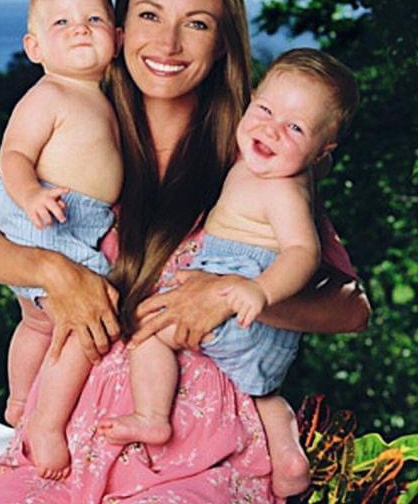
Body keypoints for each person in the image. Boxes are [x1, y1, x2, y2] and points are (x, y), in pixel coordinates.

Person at [0, 0, 370, 504]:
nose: (167, 42)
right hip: (72, 444)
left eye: (196, 24)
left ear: (222, 44)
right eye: (149, 15)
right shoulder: (81, 130)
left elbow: (351, 309)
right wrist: (55, 273)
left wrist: (225, 298)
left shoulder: (257, 155)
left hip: (198, 451)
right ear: (119, 30)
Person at [98, 47, 359, 497]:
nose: (271, 130)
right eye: (265, 110)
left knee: (149, 332)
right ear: (249, 99)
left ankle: (152, 417)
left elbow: (303, 253)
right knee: (260, 394)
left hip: (240, 306)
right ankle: (289, 457)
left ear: (321, 151)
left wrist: (257, 291)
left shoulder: (284, 190)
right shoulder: (258, 167)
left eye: (294, 128)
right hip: (259, 342)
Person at [0, 0, 123, 479]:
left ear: (118, 38)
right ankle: (45, 423)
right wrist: (31, 195)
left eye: (93, 19)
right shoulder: (50, 93)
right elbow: (13, 153)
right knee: (84, 323)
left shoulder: (101, 98)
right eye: (61, 22)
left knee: (37, 321)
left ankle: (20, 398)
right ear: (35, 46)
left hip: (70, 219)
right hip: (46, 216)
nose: (80, 28)